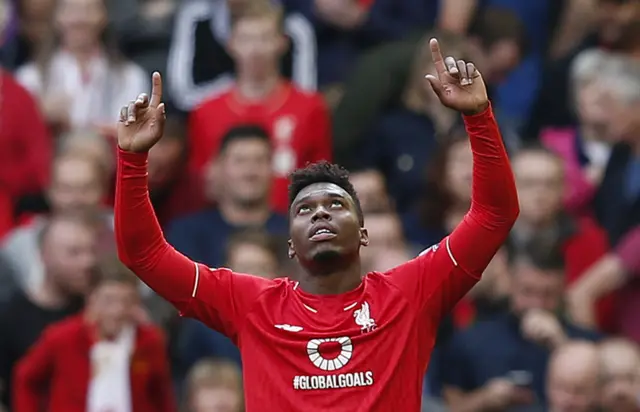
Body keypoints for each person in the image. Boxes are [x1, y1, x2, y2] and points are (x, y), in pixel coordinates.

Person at [114, 37, 519, 411]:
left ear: (363, 233)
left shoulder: (411, 293)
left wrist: (479, 117)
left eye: (336, 205)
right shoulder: (251, 304)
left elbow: (494, 215)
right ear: (290, 243)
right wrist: (132, 161)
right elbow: (144, 254)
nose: (321, 212)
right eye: (304, 210)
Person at [12, 258, 175, 412]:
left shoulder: (149, 341)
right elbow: (26, 378)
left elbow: (162, 397)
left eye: (127, 301)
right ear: (91, 298)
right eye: (108, 300)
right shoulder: (63, 338)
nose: (117, 311)